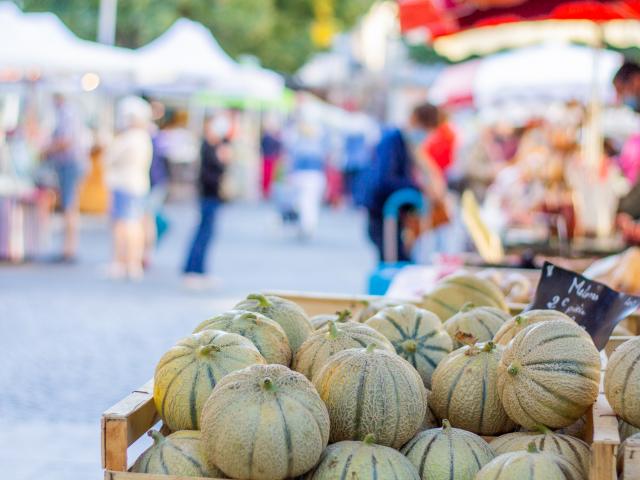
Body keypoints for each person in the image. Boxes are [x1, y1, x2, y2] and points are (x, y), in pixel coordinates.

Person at [364, 102, 440, 262]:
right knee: (394, 261)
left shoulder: (407, 144)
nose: (424, 134)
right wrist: (418, 189)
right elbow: (384, 180)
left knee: (400, 258)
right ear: (414, 119)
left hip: (395, 215)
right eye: (424, 128)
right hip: (383, 214)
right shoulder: (392, 141)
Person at [104, 97, 153, 280]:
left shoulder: (131, 138)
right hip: (138, 185)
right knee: (134, 225)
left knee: (124, 226)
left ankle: (122, 262)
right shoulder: (144, 137)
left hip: (125, 185)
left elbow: (110, 157)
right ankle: (132, 263)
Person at [183, 115, 231, 287]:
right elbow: (209, 175)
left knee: (206, 233)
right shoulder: (208, 147)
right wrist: (222, 161)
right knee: (203, 232)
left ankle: (198, 269)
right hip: (208, 195)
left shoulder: (215, 146)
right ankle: (194, 270)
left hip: (211, 196)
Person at [44, 94, 86, 262]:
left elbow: (66, 141)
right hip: (68, 164)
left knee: (69, 205)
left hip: (69, 163)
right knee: (68, 205)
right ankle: (68, 247)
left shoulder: (66, 113)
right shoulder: (67, 112)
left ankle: (69, 248)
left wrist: (47, 150)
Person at [283, 119, 328, 239]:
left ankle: (305, 225)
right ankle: (308, 225)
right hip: (314, 176)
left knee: (303, 202)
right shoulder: (318, 145)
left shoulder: (298, 144)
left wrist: (289, 175)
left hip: (302, 176)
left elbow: (292, 161)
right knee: (310, 202)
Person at [260, 121, 282, 199]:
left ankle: (269, 191)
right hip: (267, 157)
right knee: (266, 175)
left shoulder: (274, 137)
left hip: (272, 158)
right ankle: (266, 191)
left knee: (271, 175)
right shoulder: (266, 137)